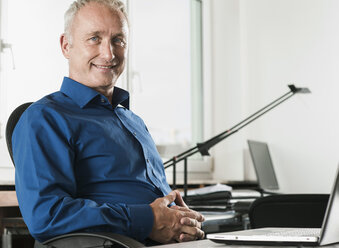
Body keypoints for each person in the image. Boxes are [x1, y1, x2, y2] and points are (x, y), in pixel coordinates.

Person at [12, 0, 205, 245]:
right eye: (94, 38)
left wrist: (180, 220)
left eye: (118, 40)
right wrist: (148, 219)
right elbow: (46, 215)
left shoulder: (133, 121)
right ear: (66, 46)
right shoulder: (45, 118)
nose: (109, 53)